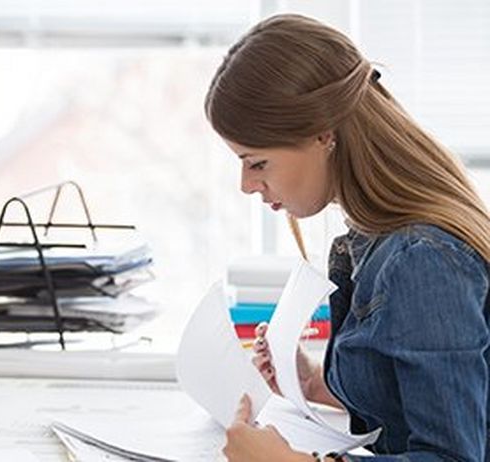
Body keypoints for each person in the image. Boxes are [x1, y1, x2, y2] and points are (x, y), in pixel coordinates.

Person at [204, 13, 490, 462]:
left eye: (256, 163)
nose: (245, 184)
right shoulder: (375, 239)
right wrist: (314, 382)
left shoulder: (423, 260)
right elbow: (417, 399)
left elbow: (453, 456)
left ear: (323, 133)